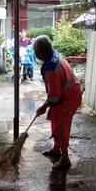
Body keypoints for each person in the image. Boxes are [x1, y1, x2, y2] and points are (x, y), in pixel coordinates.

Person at [34, 35, 82, 169]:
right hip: (67, 94)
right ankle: (56, 149)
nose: (35, 53)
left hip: (68, 98)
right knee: (56, 121)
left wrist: (44, 107)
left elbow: (55, 96)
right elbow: (55, 94)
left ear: (41, 52)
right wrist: (47, 106)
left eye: (35, 51)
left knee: (60, 127)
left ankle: (65, 159)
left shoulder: (52, 68)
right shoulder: (54, 55)